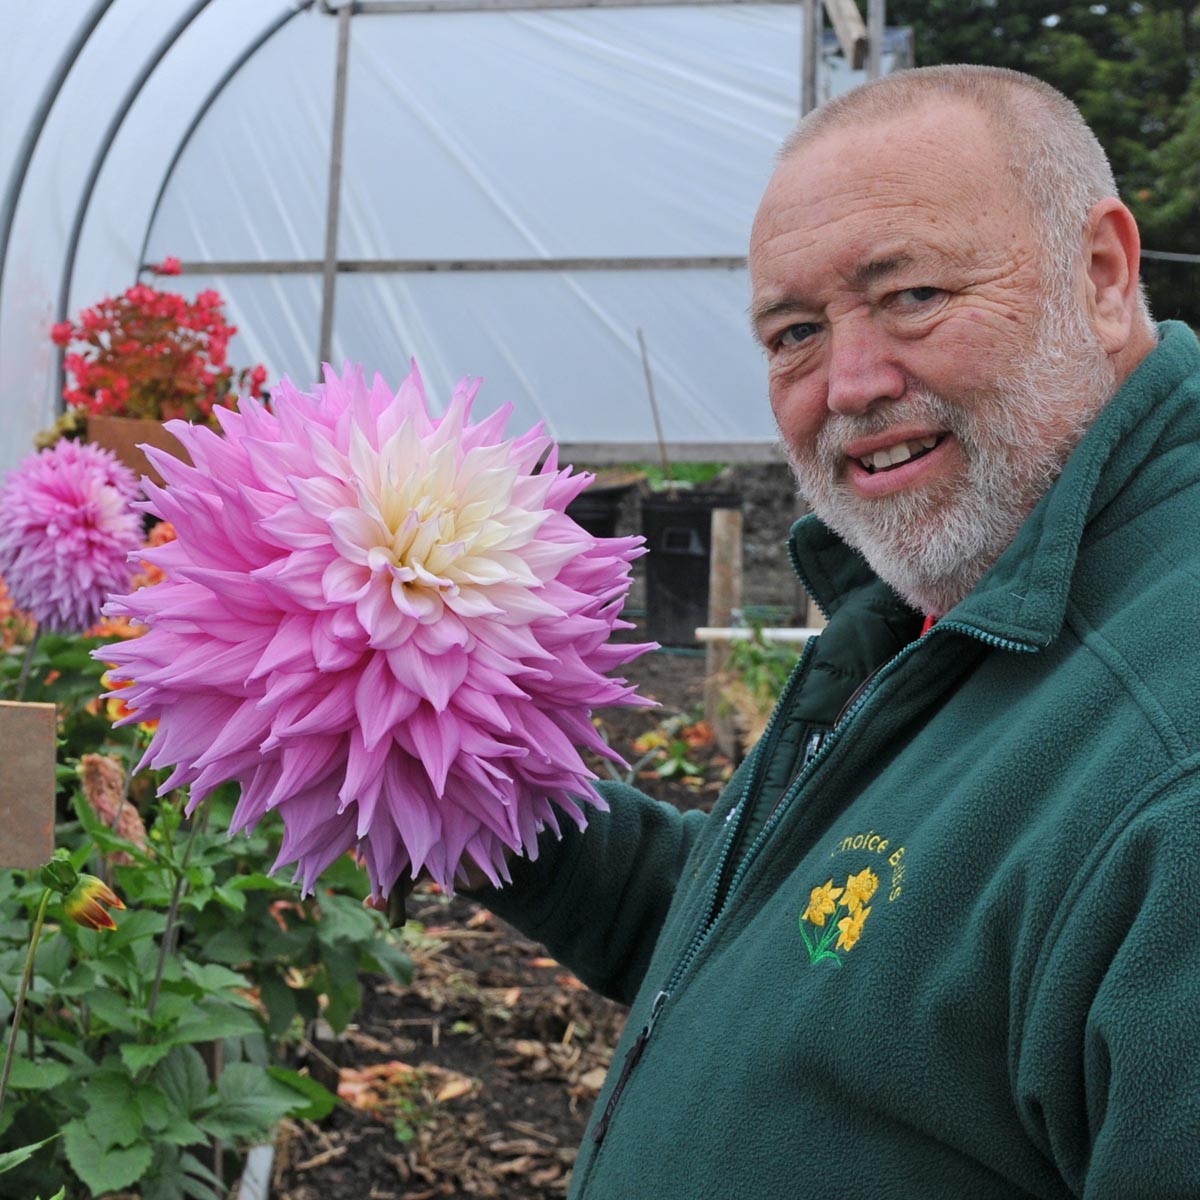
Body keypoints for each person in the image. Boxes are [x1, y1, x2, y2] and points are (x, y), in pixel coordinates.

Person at [472, 64, 1200, 1197]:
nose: (850, 383)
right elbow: (781, 943)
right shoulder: (962, 585)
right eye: (795, 332)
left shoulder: (1171, 756)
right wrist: (475, 798)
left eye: (911, 295)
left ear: (1100, 276)